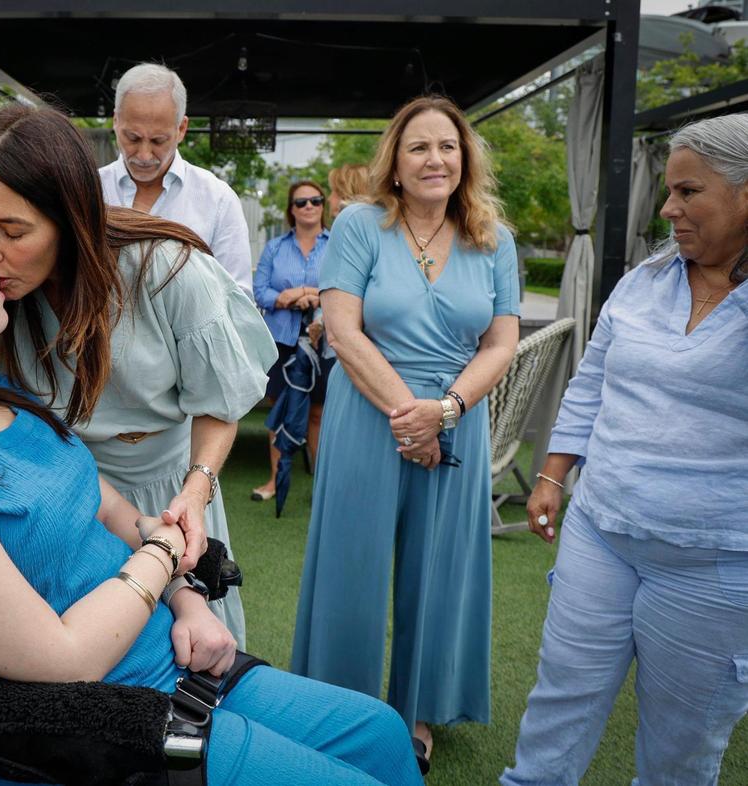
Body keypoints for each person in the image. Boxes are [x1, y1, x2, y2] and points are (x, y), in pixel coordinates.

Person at [0, 204, 423, 786]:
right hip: (106, 724)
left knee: (380, 734)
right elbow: (66, 659)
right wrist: (163, 556)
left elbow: (114, 510)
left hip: (174, 658)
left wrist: (187, 600)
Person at [0, 103, 274, 649]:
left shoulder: (165, 267)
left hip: (170, 490)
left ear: (70, 218)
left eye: (13, 230)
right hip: (62, 494)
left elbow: (220, 403)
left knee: (201, 650)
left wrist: (196, 491)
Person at [501, 114, 748, 786]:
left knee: (680, 749)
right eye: (668, 191)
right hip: (601, 532)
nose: (668, 208)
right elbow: (589, 385)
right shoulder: (646, 281)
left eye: (688, 192)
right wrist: (552, 476)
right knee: (559, 704)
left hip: (714, 562)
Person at [290, 94, 519, 760]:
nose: (435, 159)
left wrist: (443, 412)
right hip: (369, 414)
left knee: (439, 570)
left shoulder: (493, 237)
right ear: (395, 160)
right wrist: (408, 417)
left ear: (465, 158)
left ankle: (417, 711)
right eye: (419, 146)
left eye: (448, 146)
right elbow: (342, 329)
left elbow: (501, 345)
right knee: (350, 565)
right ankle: (341, 710)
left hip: (457, 417)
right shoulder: (362, 224)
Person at [99, 63, 254, 296]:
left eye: (158, 141)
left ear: (181, 128)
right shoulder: (89, 188)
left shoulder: (217, 199)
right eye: (132, 138)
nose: (144, 155)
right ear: (115, 121)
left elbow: (237, 298)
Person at [250, 180, 332, 502]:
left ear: (323, 205)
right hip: (281, 339)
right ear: (291, 210)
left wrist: (303, 294)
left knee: (318, 413)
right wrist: (293, 298)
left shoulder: (336, 244)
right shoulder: (274, 247)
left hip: (323, 339)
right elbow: (260, 292)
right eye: (301, 202)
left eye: (315, 200)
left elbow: (342, 288)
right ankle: (274, 480)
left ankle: (321, 487)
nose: (309, 206)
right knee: (281, 410)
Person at [305, 164, 373, 357]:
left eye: (334, 192)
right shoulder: (381, 228)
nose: (329, 199)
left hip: (348, 349)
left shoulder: (347, 226)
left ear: (347, 193)